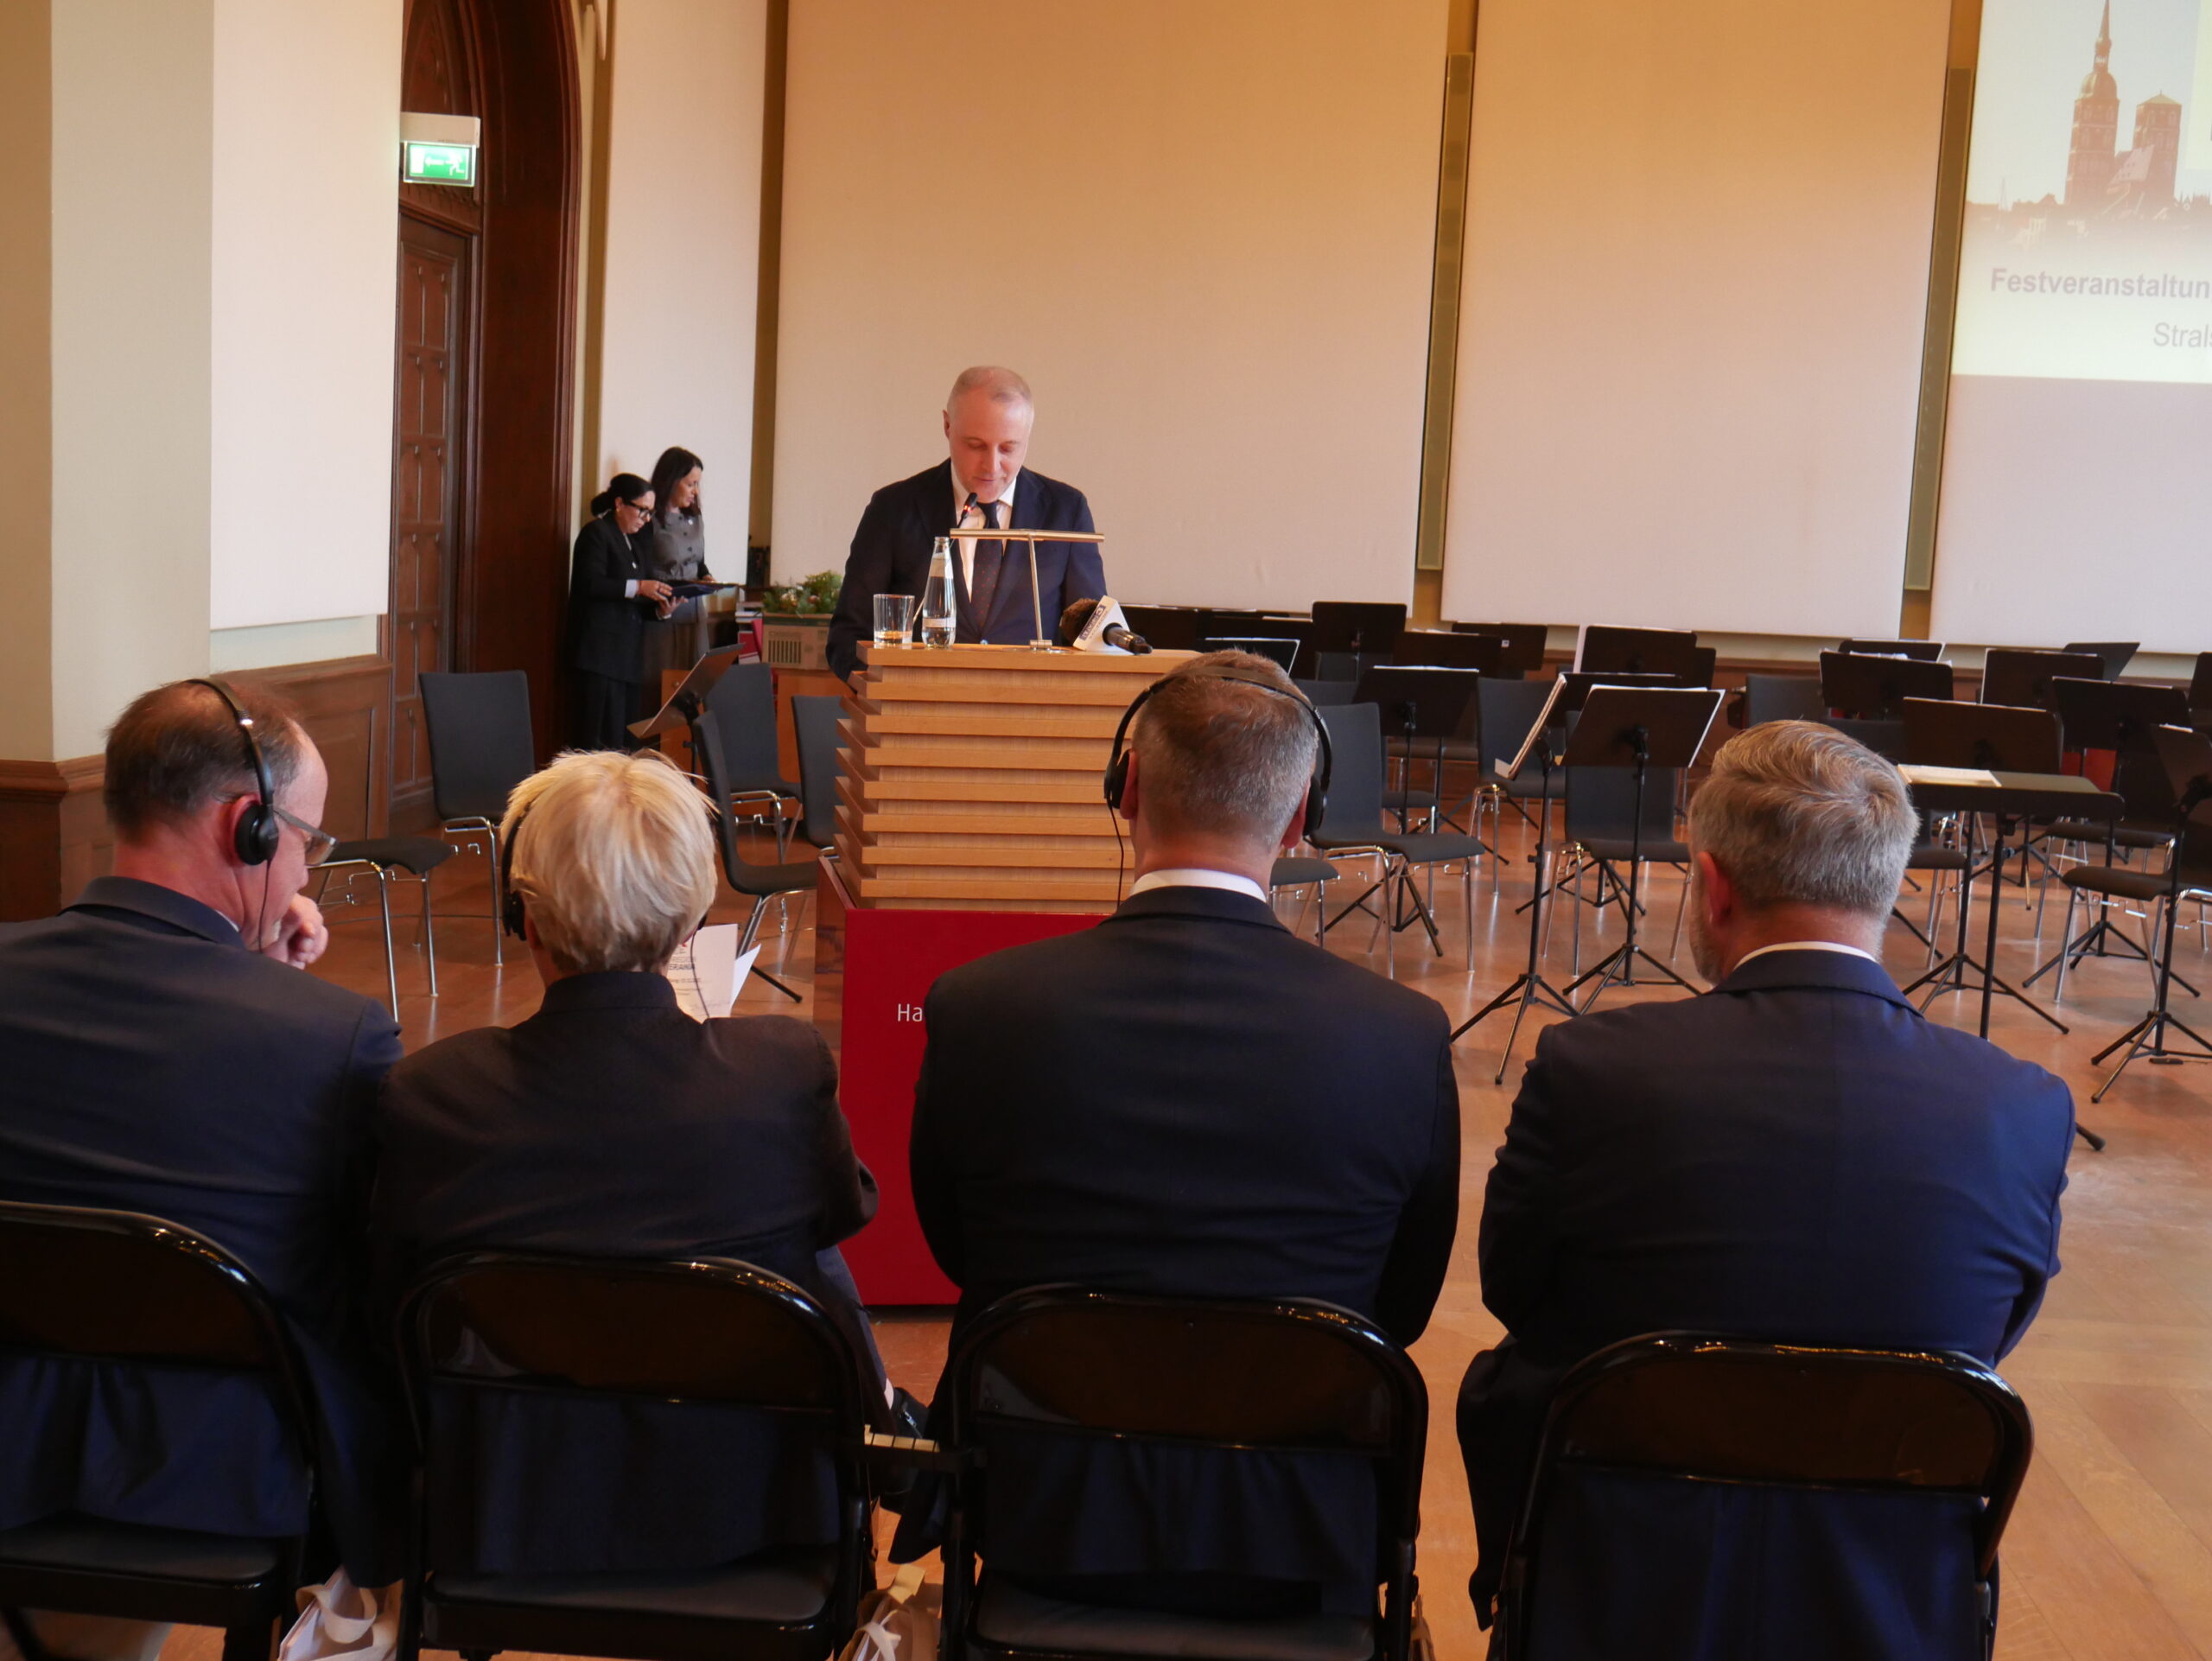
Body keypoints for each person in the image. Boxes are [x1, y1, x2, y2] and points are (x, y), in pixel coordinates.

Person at [1457, 720, 2074, 1658]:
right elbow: (1989, 1333)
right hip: (1890, 1596)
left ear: (1712, 885)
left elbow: (1515, 1289)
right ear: (1889, 882)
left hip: (1625, 1577)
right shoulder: (2021, 1105)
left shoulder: (1596, 1067)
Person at [905, 651, 1460, 1619]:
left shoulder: (981, 1007)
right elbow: (1400, 1310)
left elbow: (957, 1249)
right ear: (1301, 816)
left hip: (1042, 1506)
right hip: (1298, 1528)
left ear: (1125, 787)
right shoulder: (1401, 1036)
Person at [369, 748, 887, 1576]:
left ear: (523, 916)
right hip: (755, 1514)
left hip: (513, 1515)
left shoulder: (432, 1091)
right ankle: (891, 1431)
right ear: (690, 921)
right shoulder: (779, 1068)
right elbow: (845, 1212)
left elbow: (387, 1291)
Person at [0, 679, 404, 1657]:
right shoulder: (333, 1039)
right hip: (204, 1472)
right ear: (248, 827)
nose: (307, 866)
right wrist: (271, 989)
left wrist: (254, 963)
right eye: (307, 840)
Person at [826, 366, 1105, 678]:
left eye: (1009, 448)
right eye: (975, 445)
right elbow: (847, 638)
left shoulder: (1066, 511)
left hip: (1031, 704)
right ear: (947, 425)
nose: (992, 466)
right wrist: (890, 691)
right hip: (916, 703)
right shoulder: (893, 509)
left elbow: (1092, 638)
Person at [567, 471, 674, 749]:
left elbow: (635, 598)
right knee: (596, 739)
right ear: (619, 503)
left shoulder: (634, 543)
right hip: (600, 655)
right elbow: (591, 584)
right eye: (641, 510)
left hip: (627, 657)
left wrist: (662, 610)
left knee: (622, 740)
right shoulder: (596, 533)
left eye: (650, 513)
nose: (646, 519)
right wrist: (639, 587)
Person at [644, 444, 715, 685]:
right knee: (663, 685)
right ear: (672, 481)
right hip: (664, 614)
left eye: (697, 484)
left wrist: (706, 576)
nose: (696, 491)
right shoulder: (649, 520)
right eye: (691, 484)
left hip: (695, 613)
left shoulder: (695, 517)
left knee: (696, 685)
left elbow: (699, 561)